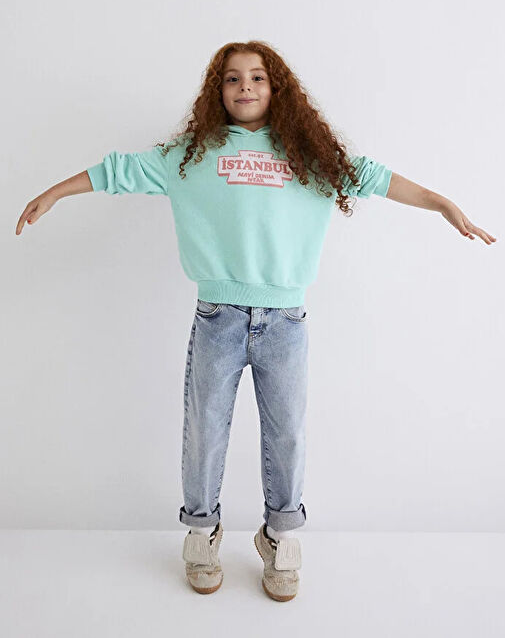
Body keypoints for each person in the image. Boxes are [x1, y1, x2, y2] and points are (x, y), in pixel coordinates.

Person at [15, 40, 496, 601]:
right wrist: (55, 193)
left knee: (287, 434)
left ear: (277, 89)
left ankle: (280, 539)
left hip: (286, 323)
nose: (245, 85)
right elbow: (117, 170)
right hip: (217, 318)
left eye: (258, 77)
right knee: (204, 430)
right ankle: (201, 533)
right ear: (217, 91)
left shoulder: (311, 154)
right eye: (232, 78)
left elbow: (377, 178)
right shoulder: (191, 156)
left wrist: (443, 204)